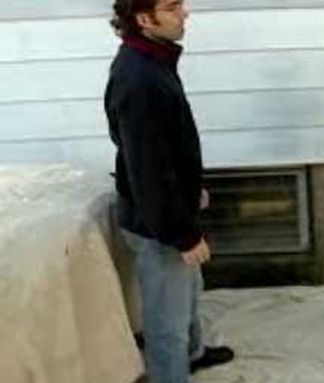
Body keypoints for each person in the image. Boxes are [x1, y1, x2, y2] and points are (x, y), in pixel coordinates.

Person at [105, 0, 234, 381]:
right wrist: (183, 234)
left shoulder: (152, 61)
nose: (185, 13)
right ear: (145, 20)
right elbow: (148, 169)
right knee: (167, 321)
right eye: (173, 6)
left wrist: (191, 190)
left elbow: (163, 147)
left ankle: (192, 354)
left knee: (188, 292)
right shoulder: (140, 79)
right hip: (158, 225)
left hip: (170, 210)